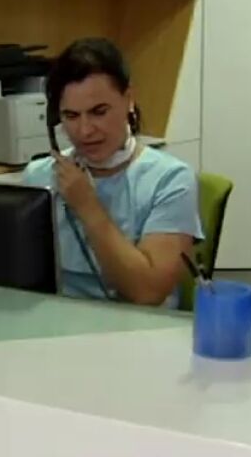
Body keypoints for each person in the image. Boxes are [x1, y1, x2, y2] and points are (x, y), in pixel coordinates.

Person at [22, 38, 203, 307]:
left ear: (129, 100)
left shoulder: (171, 180)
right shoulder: (39, 178)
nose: (85, 131)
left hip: (139, 326)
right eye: (71, 116)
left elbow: (147, 293)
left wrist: (87, 205)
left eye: (99, 112)